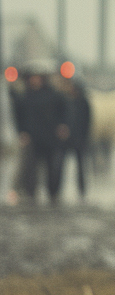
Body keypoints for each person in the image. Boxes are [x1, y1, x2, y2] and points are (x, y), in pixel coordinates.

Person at [12, 70, 69, 203]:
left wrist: (63, 126)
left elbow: (64, 111)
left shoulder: (53, 95)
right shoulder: (25, 96)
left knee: (52, 169)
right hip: (32, 138)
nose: (35, 81)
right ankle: (31, 193)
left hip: (50, 138)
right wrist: (22, 132)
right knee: (31, 169)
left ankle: (53, 194)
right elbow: (18, 117)